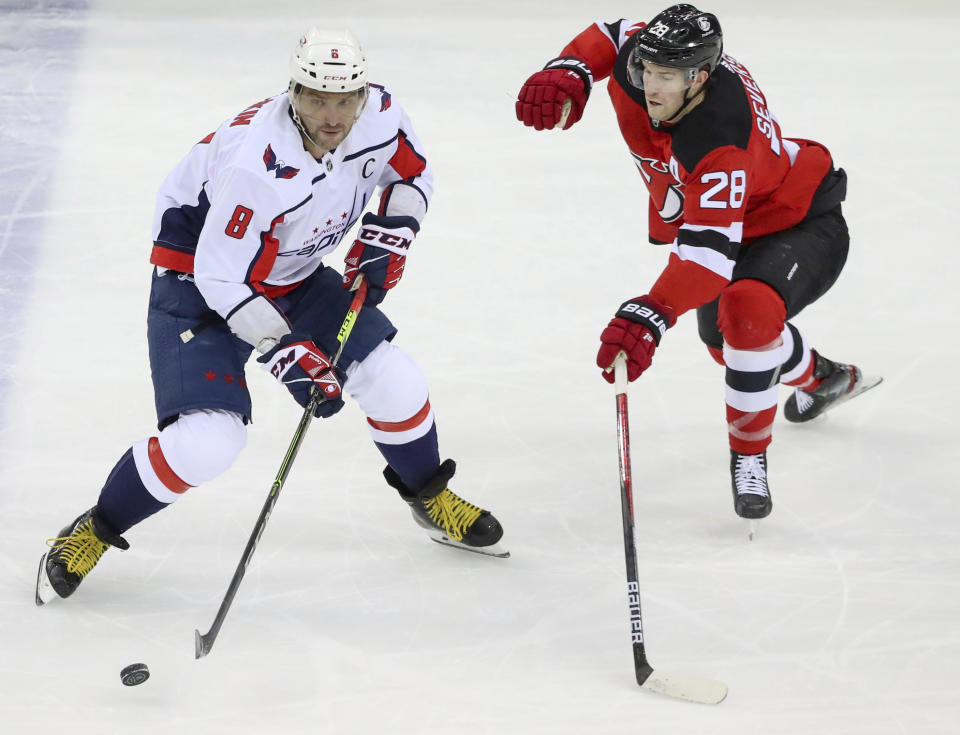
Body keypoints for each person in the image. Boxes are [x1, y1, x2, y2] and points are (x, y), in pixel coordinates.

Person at [36, 26, 508, 605]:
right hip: (201, 284)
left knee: (395, 379)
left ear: (363, 94)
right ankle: (94, 529)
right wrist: (284, 351)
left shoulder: (382, 114)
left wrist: (394, 231)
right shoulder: (255, 166)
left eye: (344, 100)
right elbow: (219, 274)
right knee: (209, 442)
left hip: (291, 272)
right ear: (293, 92)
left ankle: (428, 496)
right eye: (316, 98)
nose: (332, 116)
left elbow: (410, 175)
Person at [515, 5, 879, 521]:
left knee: (747, 311)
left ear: (700, 78)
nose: (650, 88)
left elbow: (706, 263)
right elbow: (614, 34)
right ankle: (824, 378)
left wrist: (652, 312)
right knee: (727, 345)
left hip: (799, 221)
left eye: (665, 78)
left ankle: (749, 459)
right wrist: (569, 68)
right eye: (645, 72)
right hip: (729, 225)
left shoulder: (720, 138)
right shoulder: (648, 60)